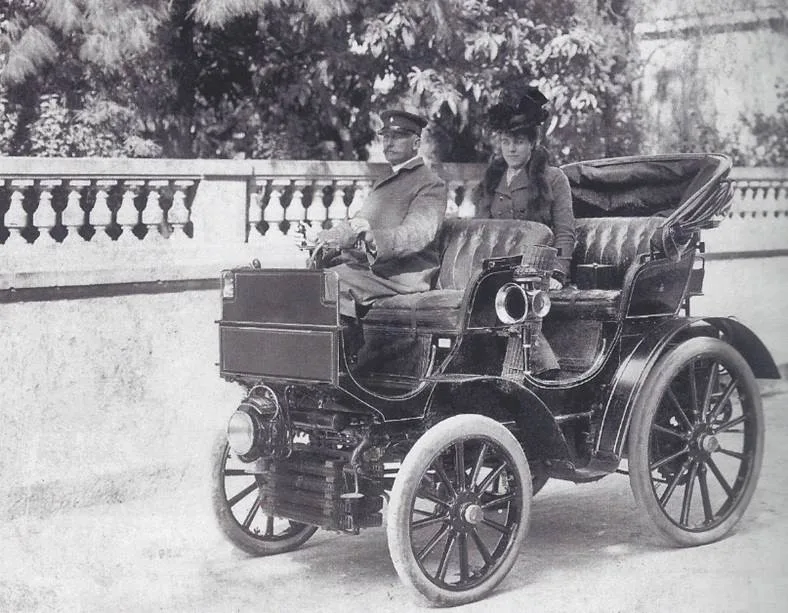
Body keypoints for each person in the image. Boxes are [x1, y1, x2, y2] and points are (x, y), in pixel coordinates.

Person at [314, 110, 447, 352]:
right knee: (312, 278)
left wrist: (374, 237)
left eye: (398, 137)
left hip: (404, 276)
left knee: (333, 282)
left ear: (416, 143)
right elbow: (358, 222)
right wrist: (324, 238)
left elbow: (419, 233)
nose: (389, 143)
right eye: (385, 137)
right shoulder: (386, 182)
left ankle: (346, 365)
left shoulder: (429, 183)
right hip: (378, 271)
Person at [473, 86, 576, 376]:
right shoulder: (491, 180)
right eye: (506, 141)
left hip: (536, 268)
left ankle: (546, 374)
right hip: (496, 267)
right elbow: (479, 232)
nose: (511, 148)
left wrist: (558, 273)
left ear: (533, 143)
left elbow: (565, 230)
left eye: (519, 141)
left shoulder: (553, 179)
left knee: (514, 304)